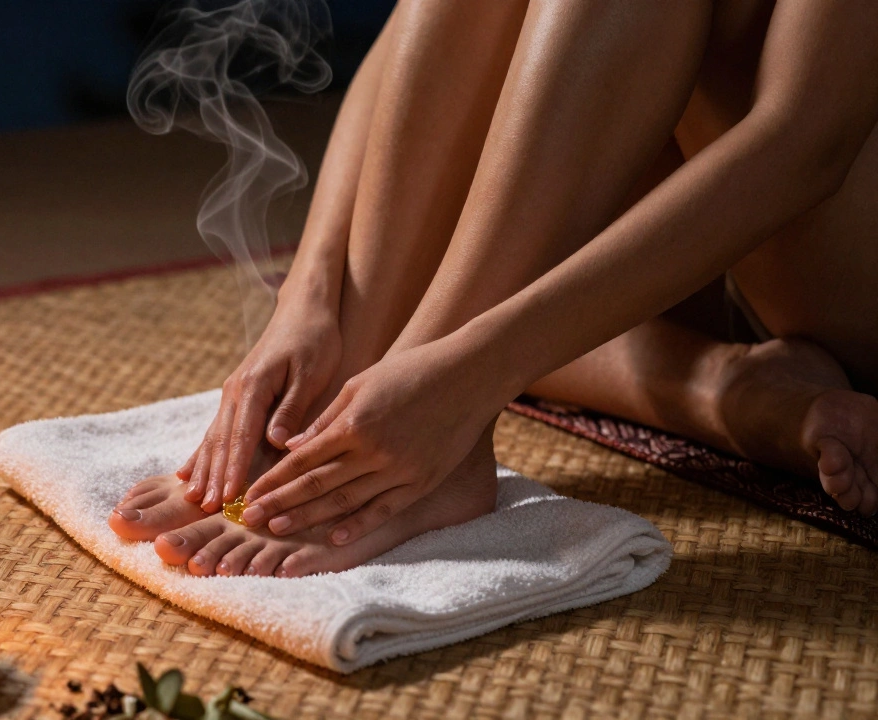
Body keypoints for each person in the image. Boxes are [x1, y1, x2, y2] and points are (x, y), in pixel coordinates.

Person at [108, 0, 878, 578]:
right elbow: (406, 47)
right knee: (477, 305)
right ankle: (370, 389)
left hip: (826, 233)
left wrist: (469, 370)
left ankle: (435, 406)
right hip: (688, 233)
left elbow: (808, 140)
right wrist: (311, 292)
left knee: (475, 335)